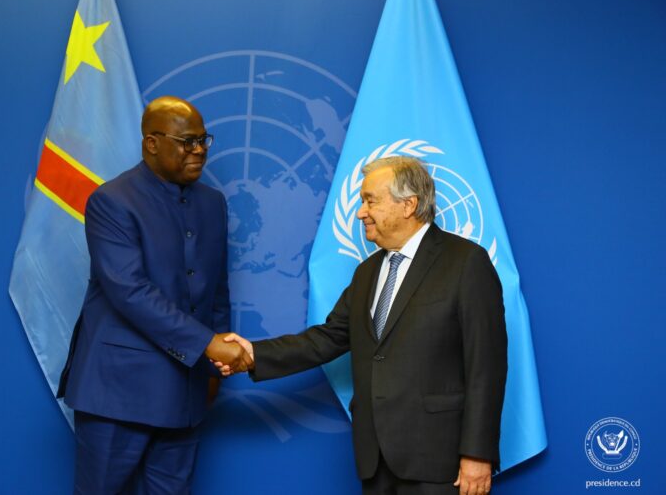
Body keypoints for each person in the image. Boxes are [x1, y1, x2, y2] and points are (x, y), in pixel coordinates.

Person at [220, 156, 507, 495]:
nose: (360, 213)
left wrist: (477, 453)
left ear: (408, 205)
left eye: (370, 201)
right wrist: (254, 354)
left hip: (439, 461)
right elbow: (327, 338)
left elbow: (486, 366)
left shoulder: (465, 262)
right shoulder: (367, 272)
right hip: (375, 459)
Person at [57, 96, 251, 494]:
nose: (199, 151)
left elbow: (216, 288)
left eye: (203, 140)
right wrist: (208, 345)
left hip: (187, 392)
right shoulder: (112, 201)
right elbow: (130, 291)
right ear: (151, 143)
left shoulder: (213, 203)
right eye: (187, 142)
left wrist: (213, 367)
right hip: (117, 393)